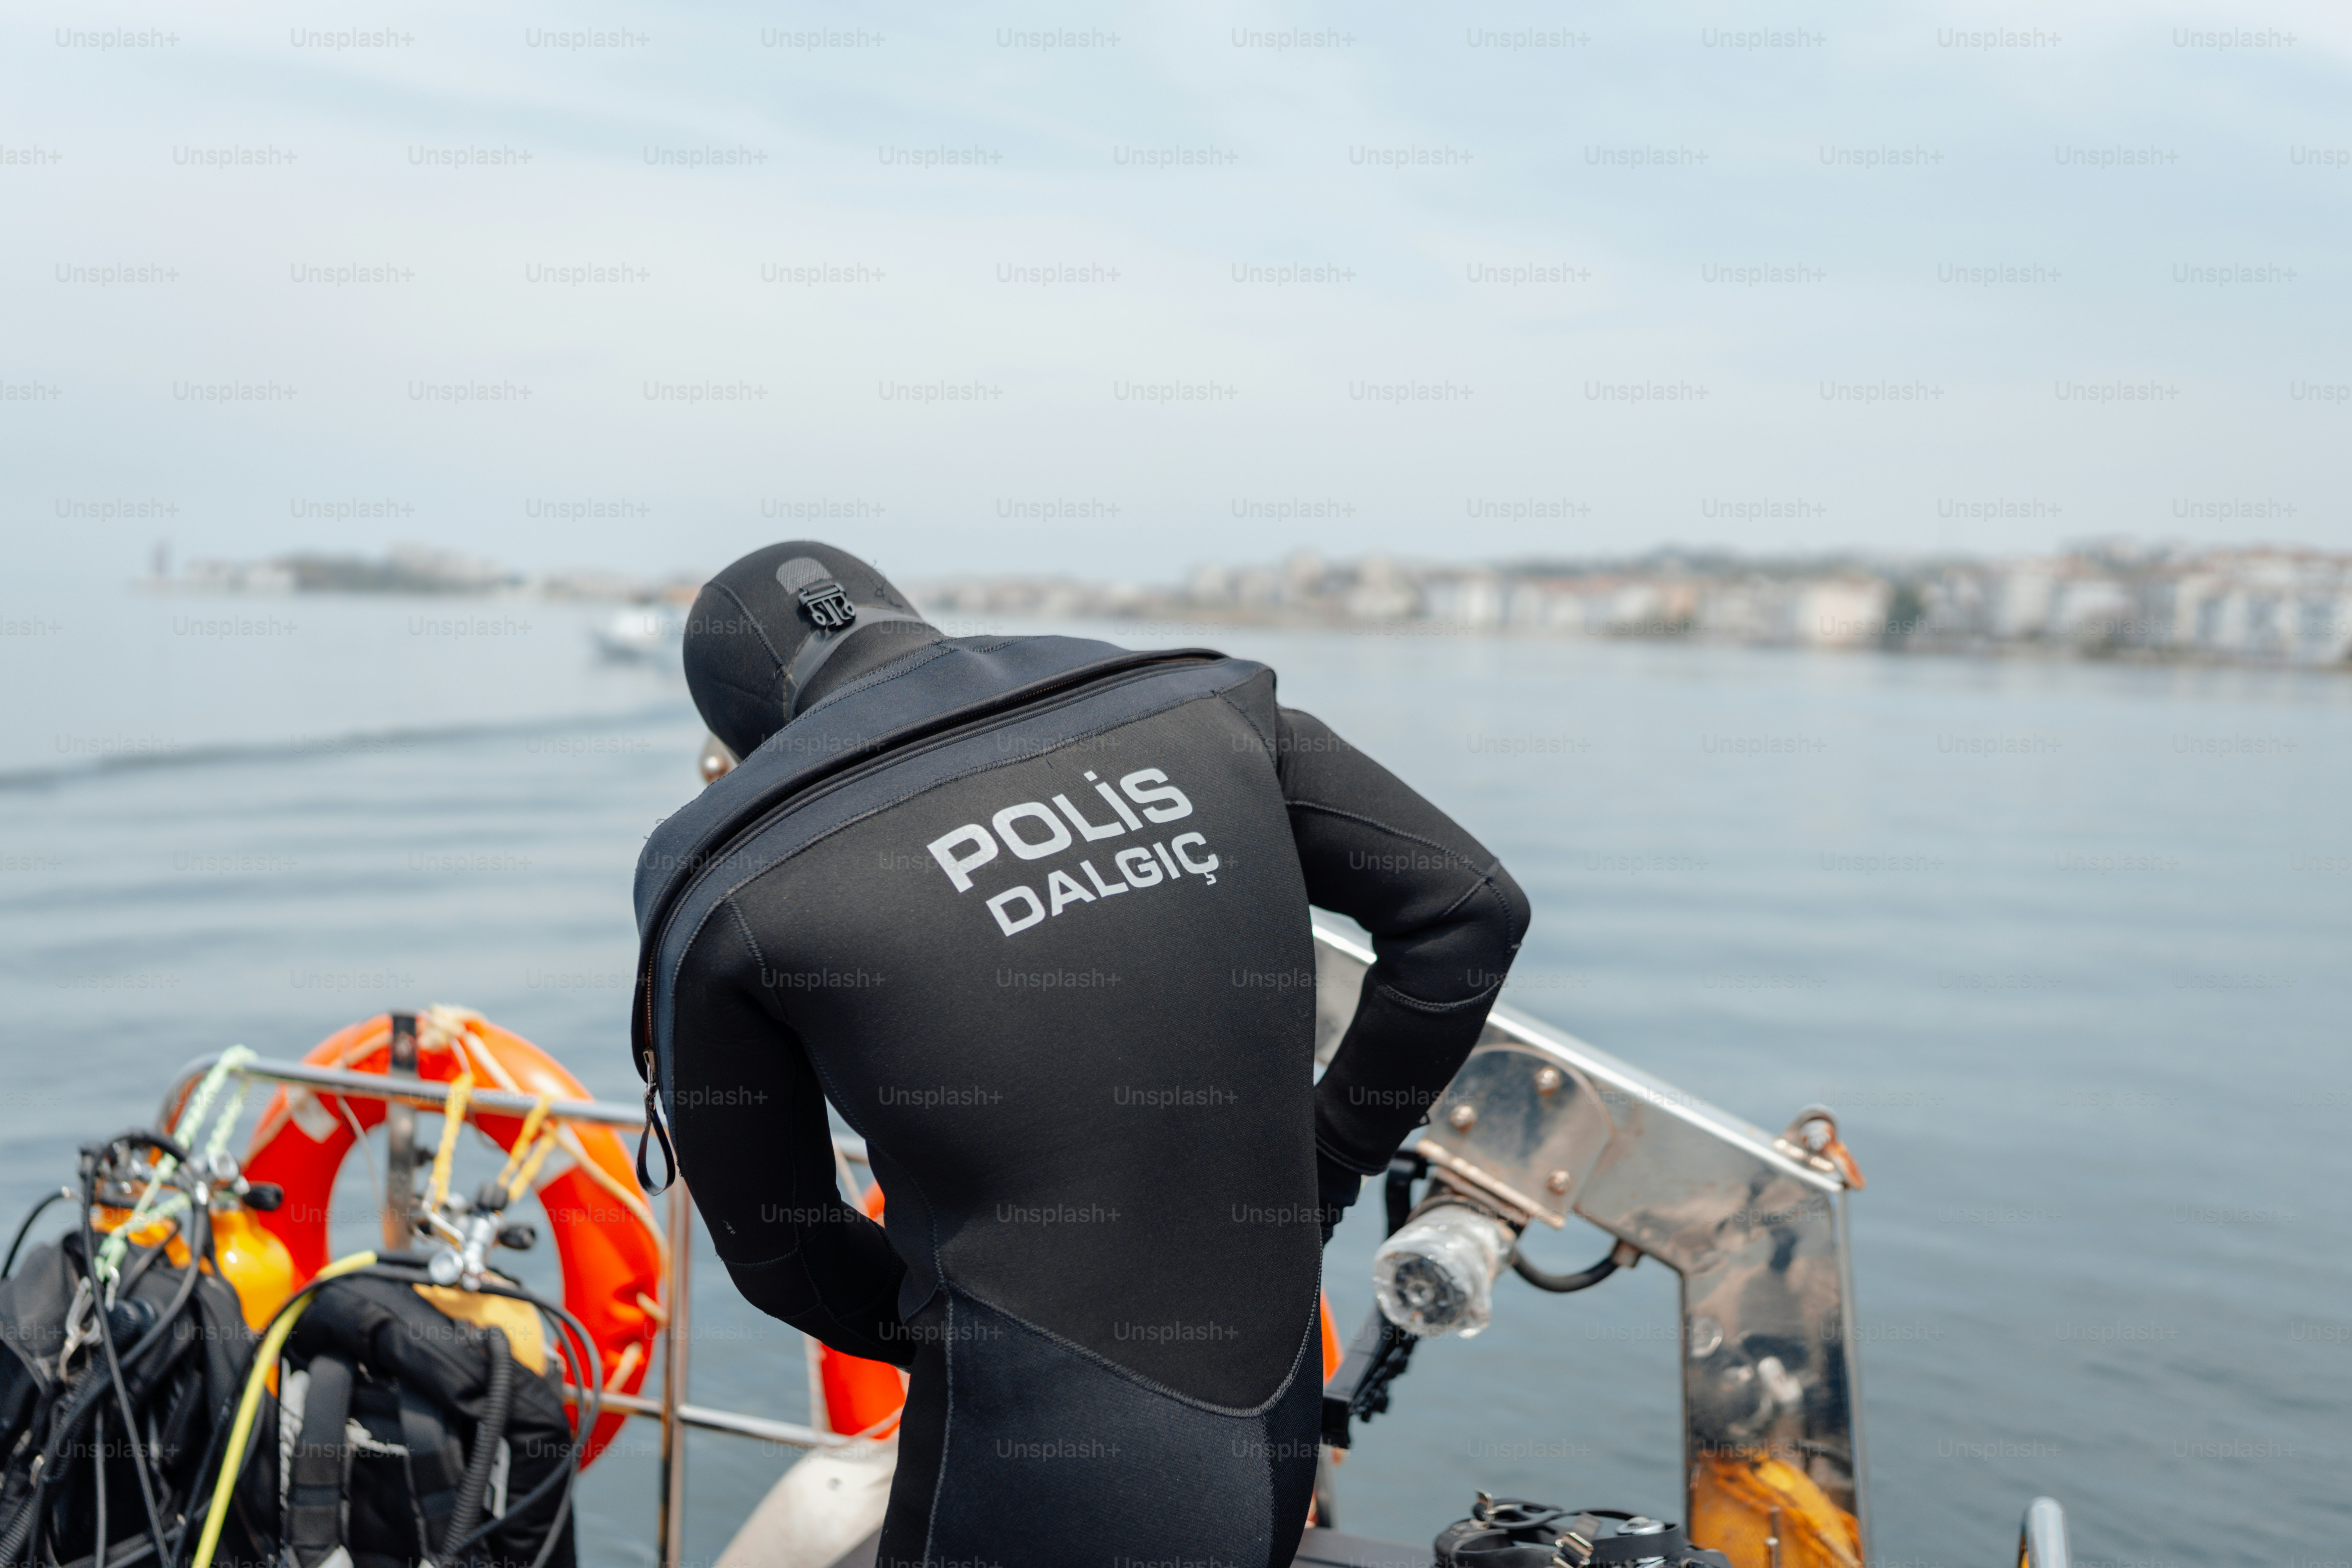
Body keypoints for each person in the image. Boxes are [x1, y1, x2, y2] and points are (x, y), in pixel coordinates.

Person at [632, 542, 1527, 1566]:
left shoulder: (735, 871)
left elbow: (784, 1250)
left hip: (1032, 1458)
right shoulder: (1201, 703)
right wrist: (1324, 1166)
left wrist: (957, 1333)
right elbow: (1471, 912)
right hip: (1271, 1413)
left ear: (734, 729)